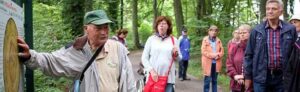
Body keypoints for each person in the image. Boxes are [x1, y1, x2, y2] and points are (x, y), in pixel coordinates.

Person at [17, 10, 136, 92]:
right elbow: (51, 61)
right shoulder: (76, 51)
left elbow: (129, 81)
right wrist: (30, 56)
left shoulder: (118, 49)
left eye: (106, 27)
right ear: (86, 29)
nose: (104, 32)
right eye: (98, 28)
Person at [243, 0, 297, 92]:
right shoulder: (256, 30)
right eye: (268, 9)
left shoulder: (290, 29)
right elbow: (249, 55)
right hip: (261, 77)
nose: (270, 11)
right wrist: (247, 77)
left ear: (280, 11)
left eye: (274, 9)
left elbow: (295, 55)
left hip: (283, 77)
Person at [141, 16, 181, 92]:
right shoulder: (151, 39)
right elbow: (144, 58)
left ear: (168, 26)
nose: (161, 25)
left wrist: (176, 55)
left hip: (168, 78)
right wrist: (151, 71)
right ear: (157, 26)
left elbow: (179, 59)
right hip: (153, 77)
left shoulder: (174, 40)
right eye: (159, 23)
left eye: (164, 23)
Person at [226, 25, 252, 92]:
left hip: (251, 85)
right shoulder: (234, 47)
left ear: (250, 33)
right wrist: (235, 76)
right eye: (240, 33)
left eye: (244, 32)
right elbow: (229, 63)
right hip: (236, 84)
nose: (242, 35)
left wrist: (246, 77)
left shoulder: (255, 48)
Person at [201, 25, 224, 92]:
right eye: (212, 31)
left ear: (217, 32)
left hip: (216, 64)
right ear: (209, 31)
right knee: (207, 81)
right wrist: (214, 55)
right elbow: (203, 51)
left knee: (214, 80)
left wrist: (219, 55)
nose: (213, 32)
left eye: (215, 31)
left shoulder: (219, 40)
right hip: (207, 64)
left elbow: (222, 51)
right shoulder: (205, 40)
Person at [285, 14, 300, 92]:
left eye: (295, 22)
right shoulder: (288, 38)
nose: (293, 24)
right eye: (291, 23)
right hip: (291, 72)